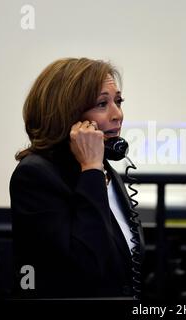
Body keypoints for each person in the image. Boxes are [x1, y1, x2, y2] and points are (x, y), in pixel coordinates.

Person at [10, 58, 144, 299]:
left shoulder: (104, 170)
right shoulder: (36, 175)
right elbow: (87, 264)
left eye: (118, 101)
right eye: (102, 104)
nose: (118, 114)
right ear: (68, 115)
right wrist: (90, 169)